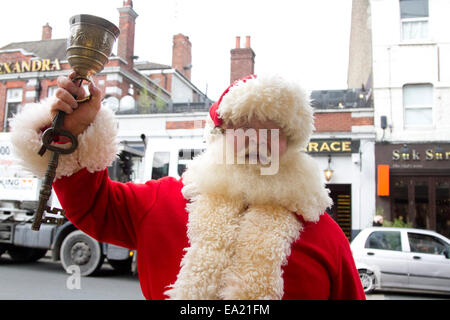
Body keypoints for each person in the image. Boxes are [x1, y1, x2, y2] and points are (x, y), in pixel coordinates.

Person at [10, 72, 365, 300]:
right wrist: (72, 132)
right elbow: (93, 204)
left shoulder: (326, 237)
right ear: (220, 137)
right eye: (242, 125)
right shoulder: (163, 201)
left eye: (273, 129)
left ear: (289, 142)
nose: (257, 140)